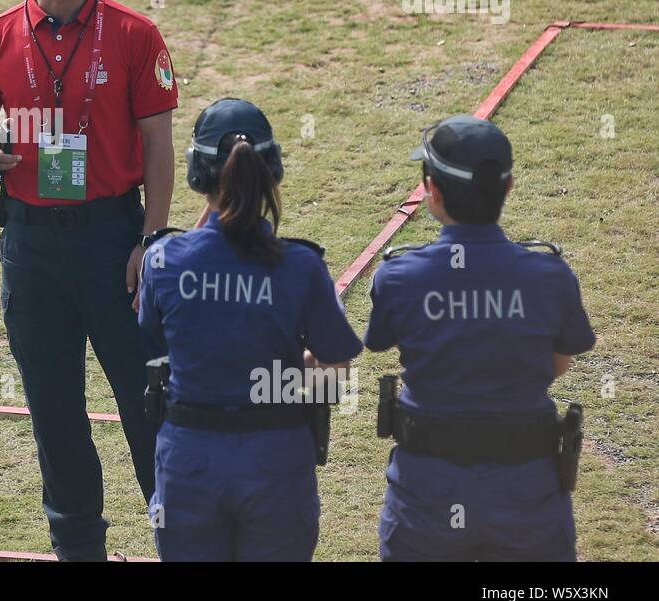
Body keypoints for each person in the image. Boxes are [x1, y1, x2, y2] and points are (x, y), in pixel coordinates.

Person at [0, 0, 178, 560]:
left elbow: (158, 145)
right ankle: (80, 550)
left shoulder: (136, 35)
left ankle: (179, 534)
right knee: (55, 415)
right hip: (30, 245)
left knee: (148, 403)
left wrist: (152, 238)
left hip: (114, 238)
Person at [138, 98, 362, 561]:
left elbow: (158, 335)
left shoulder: (163, 260)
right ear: (272, 170)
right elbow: (335, 368)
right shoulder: (301, 266)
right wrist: (284, 370)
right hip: (275, 461)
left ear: (198, 174)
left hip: (189, 462)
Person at [365, 114, 595, 561]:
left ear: (431, 190)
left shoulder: (399, 277)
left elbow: (383, 342)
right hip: (526, 490)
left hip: (428, 491)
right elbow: (559, 362)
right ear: (507, 188)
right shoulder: (549, 275)